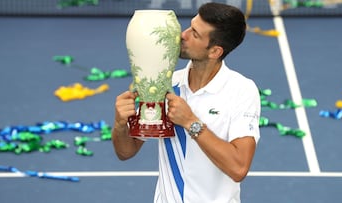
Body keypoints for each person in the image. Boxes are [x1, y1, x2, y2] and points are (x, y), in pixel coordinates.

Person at [112, 2, 261, 203]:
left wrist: (191, 122)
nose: (183, 34)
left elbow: (239, 168)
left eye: (195, 34)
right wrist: (121, 124)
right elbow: (125, 151)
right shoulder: (165, 83)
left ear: (215, 52)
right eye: (190, 26)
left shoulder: (241, 90)